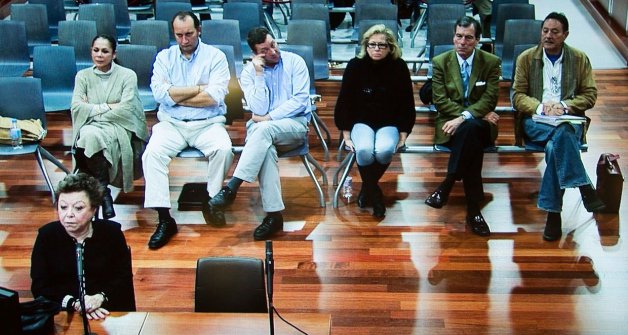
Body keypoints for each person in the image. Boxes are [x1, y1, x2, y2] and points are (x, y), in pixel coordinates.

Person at [209, 27, 311, 240]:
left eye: (273, 44)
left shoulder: (295, 62)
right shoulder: (249, 72)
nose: (273, 52)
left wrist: (269, 118)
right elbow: (258, 107)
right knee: (265, 149)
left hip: (295, 126)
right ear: (256, 54)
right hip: (263, 134)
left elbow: (300, 100)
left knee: (262, 130)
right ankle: (274, 215)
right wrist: (259, 74)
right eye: (265, 50)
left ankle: (232, 187)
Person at [144, 11, 233, 249]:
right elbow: (159, 94)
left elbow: (214, 97)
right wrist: (197, 88)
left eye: (189, 34)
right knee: (152, 154)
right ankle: (164, 218)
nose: (184, 40)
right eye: (179, 35)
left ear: (199, 30)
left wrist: (175, 95)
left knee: (224, 150)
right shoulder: (164, 57)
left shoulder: (216, 56)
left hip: (208, 122)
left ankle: (211, 201)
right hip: (171, 123)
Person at [512, 12, 604, 242]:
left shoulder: (579, 58)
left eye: (554, 32)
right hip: (535, 121)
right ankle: (583, 185)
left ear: (565, 35)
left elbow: (590, 95)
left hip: (568, 120)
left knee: (556, 146)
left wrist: (564, 106)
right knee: (562, 137)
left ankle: (554, 213)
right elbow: (517, 95)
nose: (548, 36)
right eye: (545, 31)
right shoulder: (526, 58)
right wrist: (542, 108)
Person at [424, 16, 501, 237]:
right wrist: (468, 116)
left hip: (473, 124)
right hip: (451, 124)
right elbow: (440, 100)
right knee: (471, 138)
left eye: (468, 37)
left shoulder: (490, 62)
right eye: (459, 36)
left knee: (470, 131)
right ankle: (474, 210)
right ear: (453, 37)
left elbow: (490, 99)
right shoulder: (441, 62)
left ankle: (448, 183)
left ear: (477, 40)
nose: (462, 42)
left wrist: (463, 117)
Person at [334, 24, 415, 218]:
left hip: (389, 121)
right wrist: (346, 135)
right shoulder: (355, 65)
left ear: (390, 48)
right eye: (372, 45)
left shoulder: (399, 66)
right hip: (361, 121)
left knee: (384, 151)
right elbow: (345, 101)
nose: (376, 49)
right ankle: (374, 194)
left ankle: (368, 189)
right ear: (365, 46)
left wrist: (403, 135)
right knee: (364, 150)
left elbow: (407, 103)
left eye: (382, 45)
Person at [31, 173, 136, 320]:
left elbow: (122, 279)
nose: (69, 215)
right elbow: (40, 286)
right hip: (64, 314)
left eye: (78, 208)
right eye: (63, 207)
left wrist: (99, 298)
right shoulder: (46, 236)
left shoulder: (112, 233)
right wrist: (75, 303)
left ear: (93, 209)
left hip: (107, 313)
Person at [70, 34, 148, 220]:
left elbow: (127, 109)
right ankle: (104, 194)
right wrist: (109, 106)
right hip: (91, 126)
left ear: (113, 54)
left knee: (92, 140)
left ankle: (101, 194)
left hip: (118, 126)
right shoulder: (83, 76)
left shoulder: (127, 75)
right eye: (96, 50)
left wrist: (93, 108)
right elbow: (76, 107)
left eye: (105, 51)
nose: (99, 55)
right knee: (89, 137)